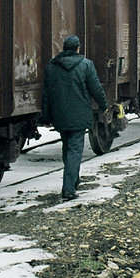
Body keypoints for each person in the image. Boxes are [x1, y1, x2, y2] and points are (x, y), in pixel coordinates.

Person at [41, 35, 109, 201]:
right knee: (74, 150)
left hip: (60, 115)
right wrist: (104, 106)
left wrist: (46, 116)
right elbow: (96, 88)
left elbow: (46, 94)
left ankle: (74, 180)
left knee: (68, 147)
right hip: (79, 114)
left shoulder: (52, 66)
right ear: (78, 48)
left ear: (64, 48)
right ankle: (69, 188)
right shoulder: (86, 65)